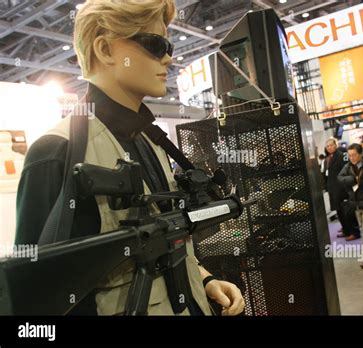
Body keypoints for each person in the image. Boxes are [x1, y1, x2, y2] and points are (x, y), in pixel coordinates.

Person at [15, 0, 244, 316]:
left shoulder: (151, 141)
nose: (168, 57)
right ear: (106, 50)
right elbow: (32, 292)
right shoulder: (58, 151)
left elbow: (167, 239)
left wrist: (203, 280)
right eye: (155, 44)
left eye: (169, 45)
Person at [323, 138, 360, 241]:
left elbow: (346, 172)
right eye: (327, 146)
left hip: (342, 189)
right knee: (339, 212)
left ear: (335, 145)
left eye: (331, 145)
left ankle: (354, 232)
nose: (329, 147)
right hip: (333, 189)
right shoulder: (328, 158)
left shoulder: (341, 156)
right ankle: (346, 230)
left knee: (347, 212)